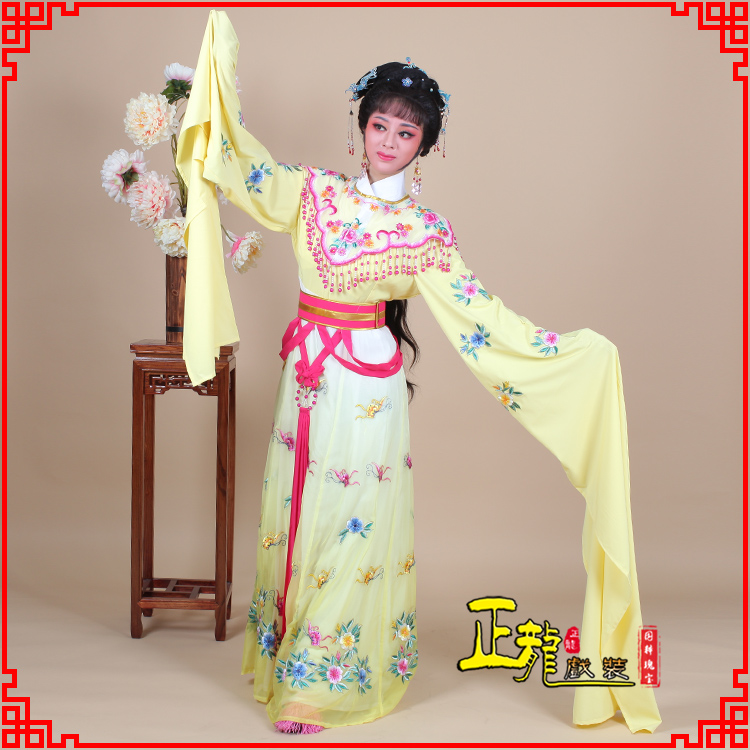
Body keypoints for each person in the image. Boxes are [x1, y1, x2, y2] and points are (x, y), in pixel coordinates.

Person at [177, 10, 661, 736]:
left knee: (351, 526)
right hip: (305, 375)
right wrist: (216, 82)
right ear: (360, 128)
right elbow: (240, 167)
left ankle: (318, 687)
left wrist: (569, 353)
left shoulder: (426, 234)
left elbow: (482, 317)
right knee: (298, 516)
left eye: (406, 133)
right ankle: (290, 657)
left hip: (366, 388)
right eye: (380, 126)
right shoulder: (312, 192)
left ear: (425, 146)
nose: (389, 142)